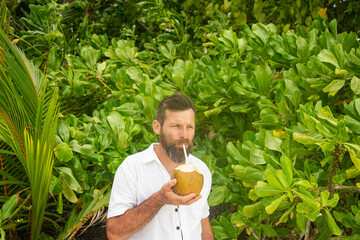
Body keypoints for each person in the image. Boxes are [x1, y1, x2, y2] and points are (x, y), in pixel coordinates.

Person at [107, 93, 213, 240]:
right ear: (157, 127)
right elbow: (115, 233)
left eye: (189, 127)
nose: (184, 134)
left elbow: (201, 222)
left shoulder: (201, 170)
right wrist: (159, 199)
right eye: (176, 126)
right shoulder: (132, 168)